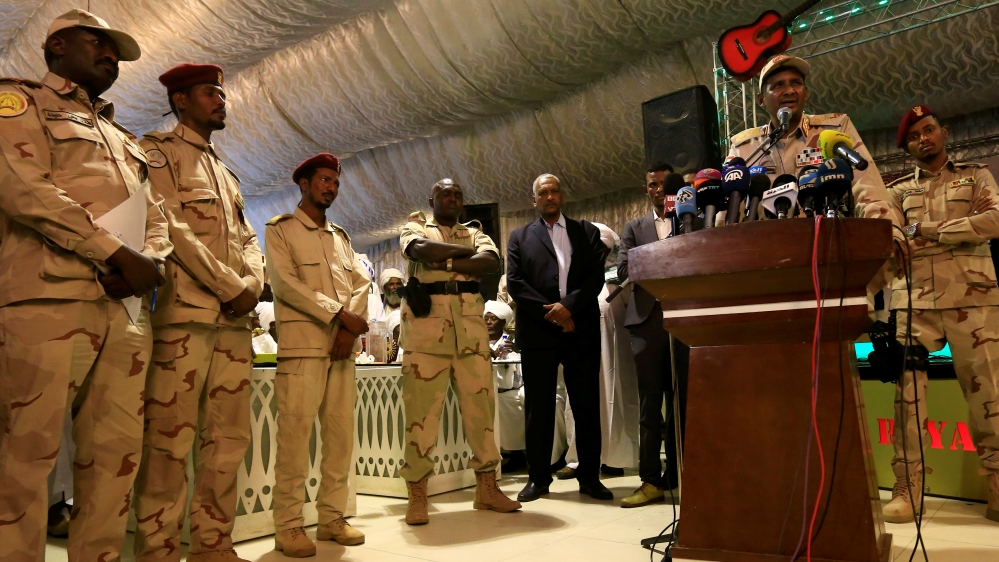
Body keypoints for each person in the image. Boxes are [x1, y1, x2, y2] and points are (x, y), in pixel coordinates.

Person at [0, 10, 171, 561]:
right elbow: (22, 187)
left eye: (116, 50)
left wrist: (151, 260)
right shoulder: (19, 102)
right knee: (24, 460)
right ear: (56, 45)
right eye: (97, 41)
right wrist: (115, 252)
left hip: (123, 310)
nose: (110, 55)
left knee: (115, 460)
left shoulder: (124, 137)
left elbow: (155, 214)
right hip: (48, 301)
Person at [130, 63, 264, 562]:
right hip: (185, 319)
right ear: (181, 100)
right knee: (168, 442)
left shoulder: (226, 173)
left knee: (228, 441)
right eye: (210, 93)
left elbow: (248, 238)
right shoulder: (158, 152)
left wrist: (253, 285)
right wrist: (231, 286)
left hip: (233, 324)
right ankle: (158, 551)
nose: (221, 101)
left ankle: (213, 545)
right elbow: (171, 227)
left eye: (221, 94)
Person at [882, 105, 999, 523]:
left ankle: (998, 484)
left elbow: (994, 221)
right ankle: (908, 487)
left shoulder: (976, 175)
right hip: (915, 302)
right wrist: (960, 230)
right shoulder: (896, 192)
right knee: (907, 400)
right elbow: (894, 240)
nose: (923, 139)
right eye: (914, 136)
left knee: (990, 396)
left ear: (944, 132)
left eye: (928, 130)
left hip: (973, 298)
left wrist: (928, 231)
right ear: (907, 147)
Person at [397, 178, 521, 525]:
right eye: (444, 194)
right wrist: (465, 255)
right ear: (431, 199)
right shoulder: (414, 227)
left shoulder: (475, 232)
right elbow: (421, 250)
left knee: (482, 414)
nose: (451, 198)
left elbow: (490, 262)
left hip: (470, 333)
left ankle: (487, 488)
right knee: (421, 417)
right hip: (426, 334)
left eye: (457, 194)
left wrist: (448, 263)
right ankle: (417, 494)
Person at [265, 153, 371, 555]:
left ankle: (331, 518)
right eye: (324, 180)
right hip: (303, 350)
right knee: (294, 440)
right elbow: (285, 283)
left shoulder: (341, 237)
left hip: (340, 350)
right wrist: (339, 314)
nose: (331, 187)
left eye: (336, 182)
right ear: (304, 184)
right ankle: (288, 525)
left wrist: (349, 327)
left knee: (340, 439)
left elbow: (362, 284)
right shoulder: (280, 230)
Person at [506, 173, 612, 502]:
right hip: (539, 332)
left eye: (554, 191)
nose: (549, 196)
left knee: (586, 405)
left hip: (579, 329)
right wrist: (553, 313)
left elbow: (595, 277)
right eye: (543, 192)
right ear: (534, 200)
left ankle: (590, 477)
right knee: (538, 407)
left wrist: (568, 308)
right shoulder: (520, 237)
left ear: (562, 196)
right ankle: (538, 479)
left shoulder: (586, 232)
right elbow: (516, 283)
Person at [728, 55, 898, 227]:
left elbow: (868, 190)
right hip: (764, 241)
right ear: (761, 99)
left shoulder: (835, 130)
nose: (789, 91)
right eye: (778, 85)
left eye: (796, 83)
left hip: (829, 236)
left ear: (806, 93)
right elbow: (729, 211)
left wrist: (890, 233)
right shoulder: (745, 147)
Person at [614, 164, 691, 508]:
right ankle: (650, 480)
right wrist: (665, 258)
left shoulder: (690, 220)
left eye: (663, 183)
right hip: (646, 322)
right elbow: (624, 269)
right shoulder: (634, 227)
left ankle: (681, 474)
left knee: (683, 402)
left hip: (685, 320)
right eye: (652, 185)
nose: (658, 189)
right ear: (646, 190)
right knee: (649, 405)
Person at [485, 301, 526, 471]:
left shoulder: (511, 342)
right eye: (486, 319)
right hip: (484, 392)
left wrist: (513, 352)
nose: (488, 322)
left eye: (493, 319)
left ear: (503, 322)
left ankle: (515, 454)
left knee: (507, 402)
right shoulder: (477, 343)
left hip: (508, 391)